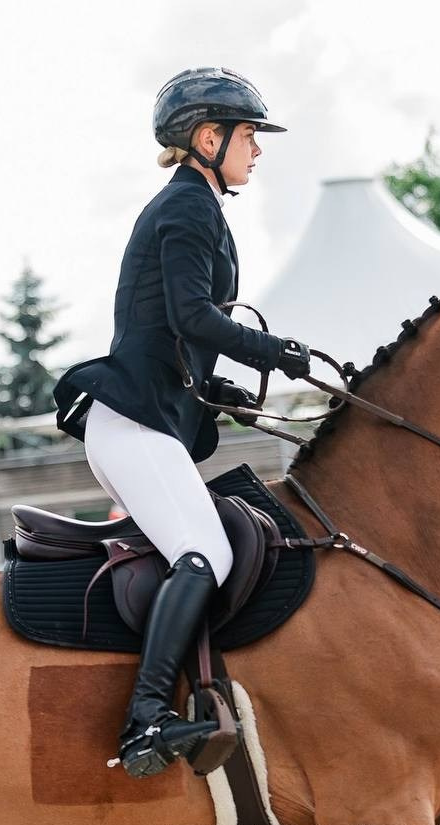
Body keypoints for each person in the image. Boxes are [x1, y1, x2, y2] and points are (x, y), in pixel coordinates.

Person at [52, 67, 311, 779]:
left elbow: (173, 333)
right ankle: (144, 719)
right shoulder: (190, 209)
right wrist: (274, 352)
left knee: (204, 547)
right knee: (207, 551)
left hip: (145, 416)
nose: (256, 149)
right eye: (249, 135)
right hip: (133, 422)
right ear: (209, 136)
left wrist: (222, 382)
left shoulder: (197, 206)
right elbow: (193, 316)